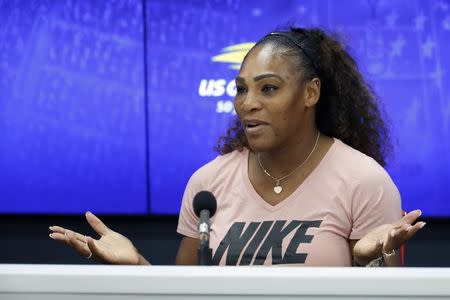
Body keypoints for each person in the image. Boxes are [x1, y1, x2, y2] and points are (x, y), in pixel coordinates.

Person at [49, 27, 425, 267]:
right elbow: (184, 297)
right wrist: (136, 268)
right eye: (241, 89)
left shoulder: (364, 182)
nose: (247, 103)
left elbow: (385, 295)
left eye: (269, 88)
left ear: (310, 92)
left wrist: (369, 261)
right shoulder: (207, 184)